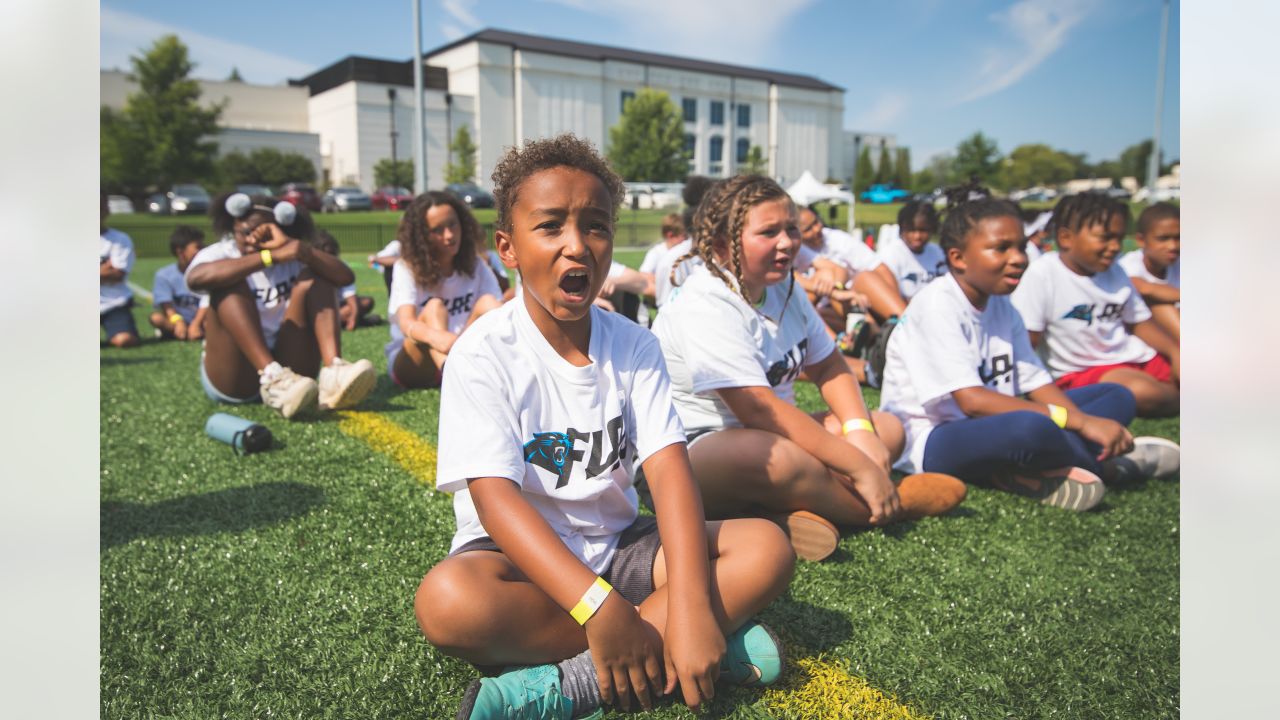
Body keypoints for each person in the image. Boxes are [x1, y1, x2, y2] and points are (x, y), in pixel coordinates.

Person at [415, 134, 795, 720]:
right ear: (507, 247)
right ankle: (671, 645)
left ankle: (579, 683)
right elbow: (495, 502)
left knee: (767, 546)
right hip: (521, 562)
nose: (577, 246)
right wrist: (601, 610)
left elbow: (669, 472)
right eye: (550, 227)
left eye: (595, 226)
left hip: (621, 546)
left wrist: (692, 604)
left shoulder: (635, 345)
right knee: (448, 602)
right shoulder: (482, 353)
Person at [653, 174, 967, 563]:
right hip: (693, 456)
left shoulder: (784, 287)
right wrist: (860, 467)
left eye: (791, 228)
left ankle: (779, 516)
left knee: (887, 428)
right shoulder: (705, 302)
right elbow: (757, 409)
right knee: (777, 457)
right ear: (721, 244)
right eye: (769, 232)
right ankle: (886, 507)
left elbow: (829, 365)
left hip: (775, 440)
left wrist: (860, 431)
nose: (787, 241)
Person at [880, 196, 1179, 512]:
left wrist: (1082, 420)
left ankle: (1019, 471)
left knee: (1117, 395)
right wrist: (1079, 422)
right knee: (1032, 427)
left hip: (990, 423)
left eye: (1021, 247)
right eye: (1002, 248)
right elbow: (973, 401)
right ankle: (1107, 468)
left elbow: (1035, 381)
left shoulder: (1002, 304)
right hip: (929, 440)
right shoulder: (938, 305)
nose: (1019, 258)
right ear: (958, 258)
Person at [186, 193, 376, 419]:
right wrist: (269, 257)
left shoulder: (290, 251)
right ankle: (271, 376)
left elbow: (344, 277)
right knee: (228, 283)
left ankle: (334, 372)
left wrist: (299, 249)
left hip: (293, 376)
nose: (251, 240)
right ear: (233, 226)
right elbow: (196, 279)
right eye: (245, 232)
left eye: (262, 232)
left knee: (317, 277)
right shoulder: (221, 252)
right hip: (236, 374)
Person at [1012, 194, 1180, 417]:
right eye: (1105, 237)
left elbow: (1139, 323)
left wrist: (1175, 352)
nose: (1114, 247)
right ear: (1065, 238)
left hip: (1133, 358)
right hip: (1080, 373)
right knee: (1142, 392)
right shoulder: (1043, 274)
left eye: (1119, 238)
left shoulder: (1114, 271)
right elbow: (1027, 342)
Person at [386, 191, 502, 389]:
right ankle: (452, 375)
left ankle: (507, 368)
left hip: (460, 349)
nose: (449, 235)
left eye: (453, 224)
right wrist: (438, 338)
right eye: (437, 230)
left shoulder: (475, 264)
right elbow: (406, 323)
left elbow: (500, 313)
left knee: (489, 302)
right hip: (414, 362)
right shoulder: (406, 267)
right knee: (434, 307)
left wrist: (456, 344)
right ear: (422, 236)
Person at [796, 206, 906, 324]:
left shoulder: (836, 239)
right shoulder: (794, 251)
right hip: (819, 312)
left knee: (864, 278)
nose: (817, 229)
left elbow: (879, 267)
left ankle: (903, 321)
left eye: (816, 222)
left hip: (857, 303)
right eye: (808, 229)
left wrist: (837, 288)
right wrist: (834, 292)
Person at [1118, 202, 1179, 342]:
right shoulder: (1126, 266)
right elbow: (1146, 289)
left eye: (1178, 238)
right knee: (1160, 304)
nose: (1173, 246)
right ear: (1140, 240)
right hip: (1141, 340)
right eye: (1163, 239)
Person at [876, 201, 948, 302]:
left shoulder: (939, 253)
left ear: (932, 229)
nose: (917, 236)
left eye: (923, 230)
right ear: (901, 230)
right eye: (911, 230)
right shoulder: (890, 255)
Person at [310, 230, 380, 330]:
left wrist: (354, 315)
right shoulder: (309, 268)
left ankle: (338, 321)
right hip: (319, 308)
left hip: (339, 306)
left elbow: (350, 296)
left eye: (332, 255)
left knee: (366, 302)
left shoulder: (342, 267)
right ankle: (353, 321)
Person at [149, 225, 208, 341]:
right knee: (156, 318)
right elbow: (167, 306)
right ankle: (181, 330)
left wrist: (196, 323)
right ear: (180, 252)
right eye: (198, 247)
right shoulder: (164, 275)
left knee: (212, 323)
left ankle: (194, 330)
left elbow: (208, 301)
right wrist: (178, 321)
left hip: (202, 318)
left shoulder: (206, 272)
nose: (203, 251)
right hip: (178, 319)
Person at [100, 192, 141, 348]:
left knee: (124, 340)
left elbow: (118, 274)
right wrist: (103, 270)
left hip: (114, 304)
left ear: (107, 210)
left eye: (100, 206)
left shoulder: (120, 239)